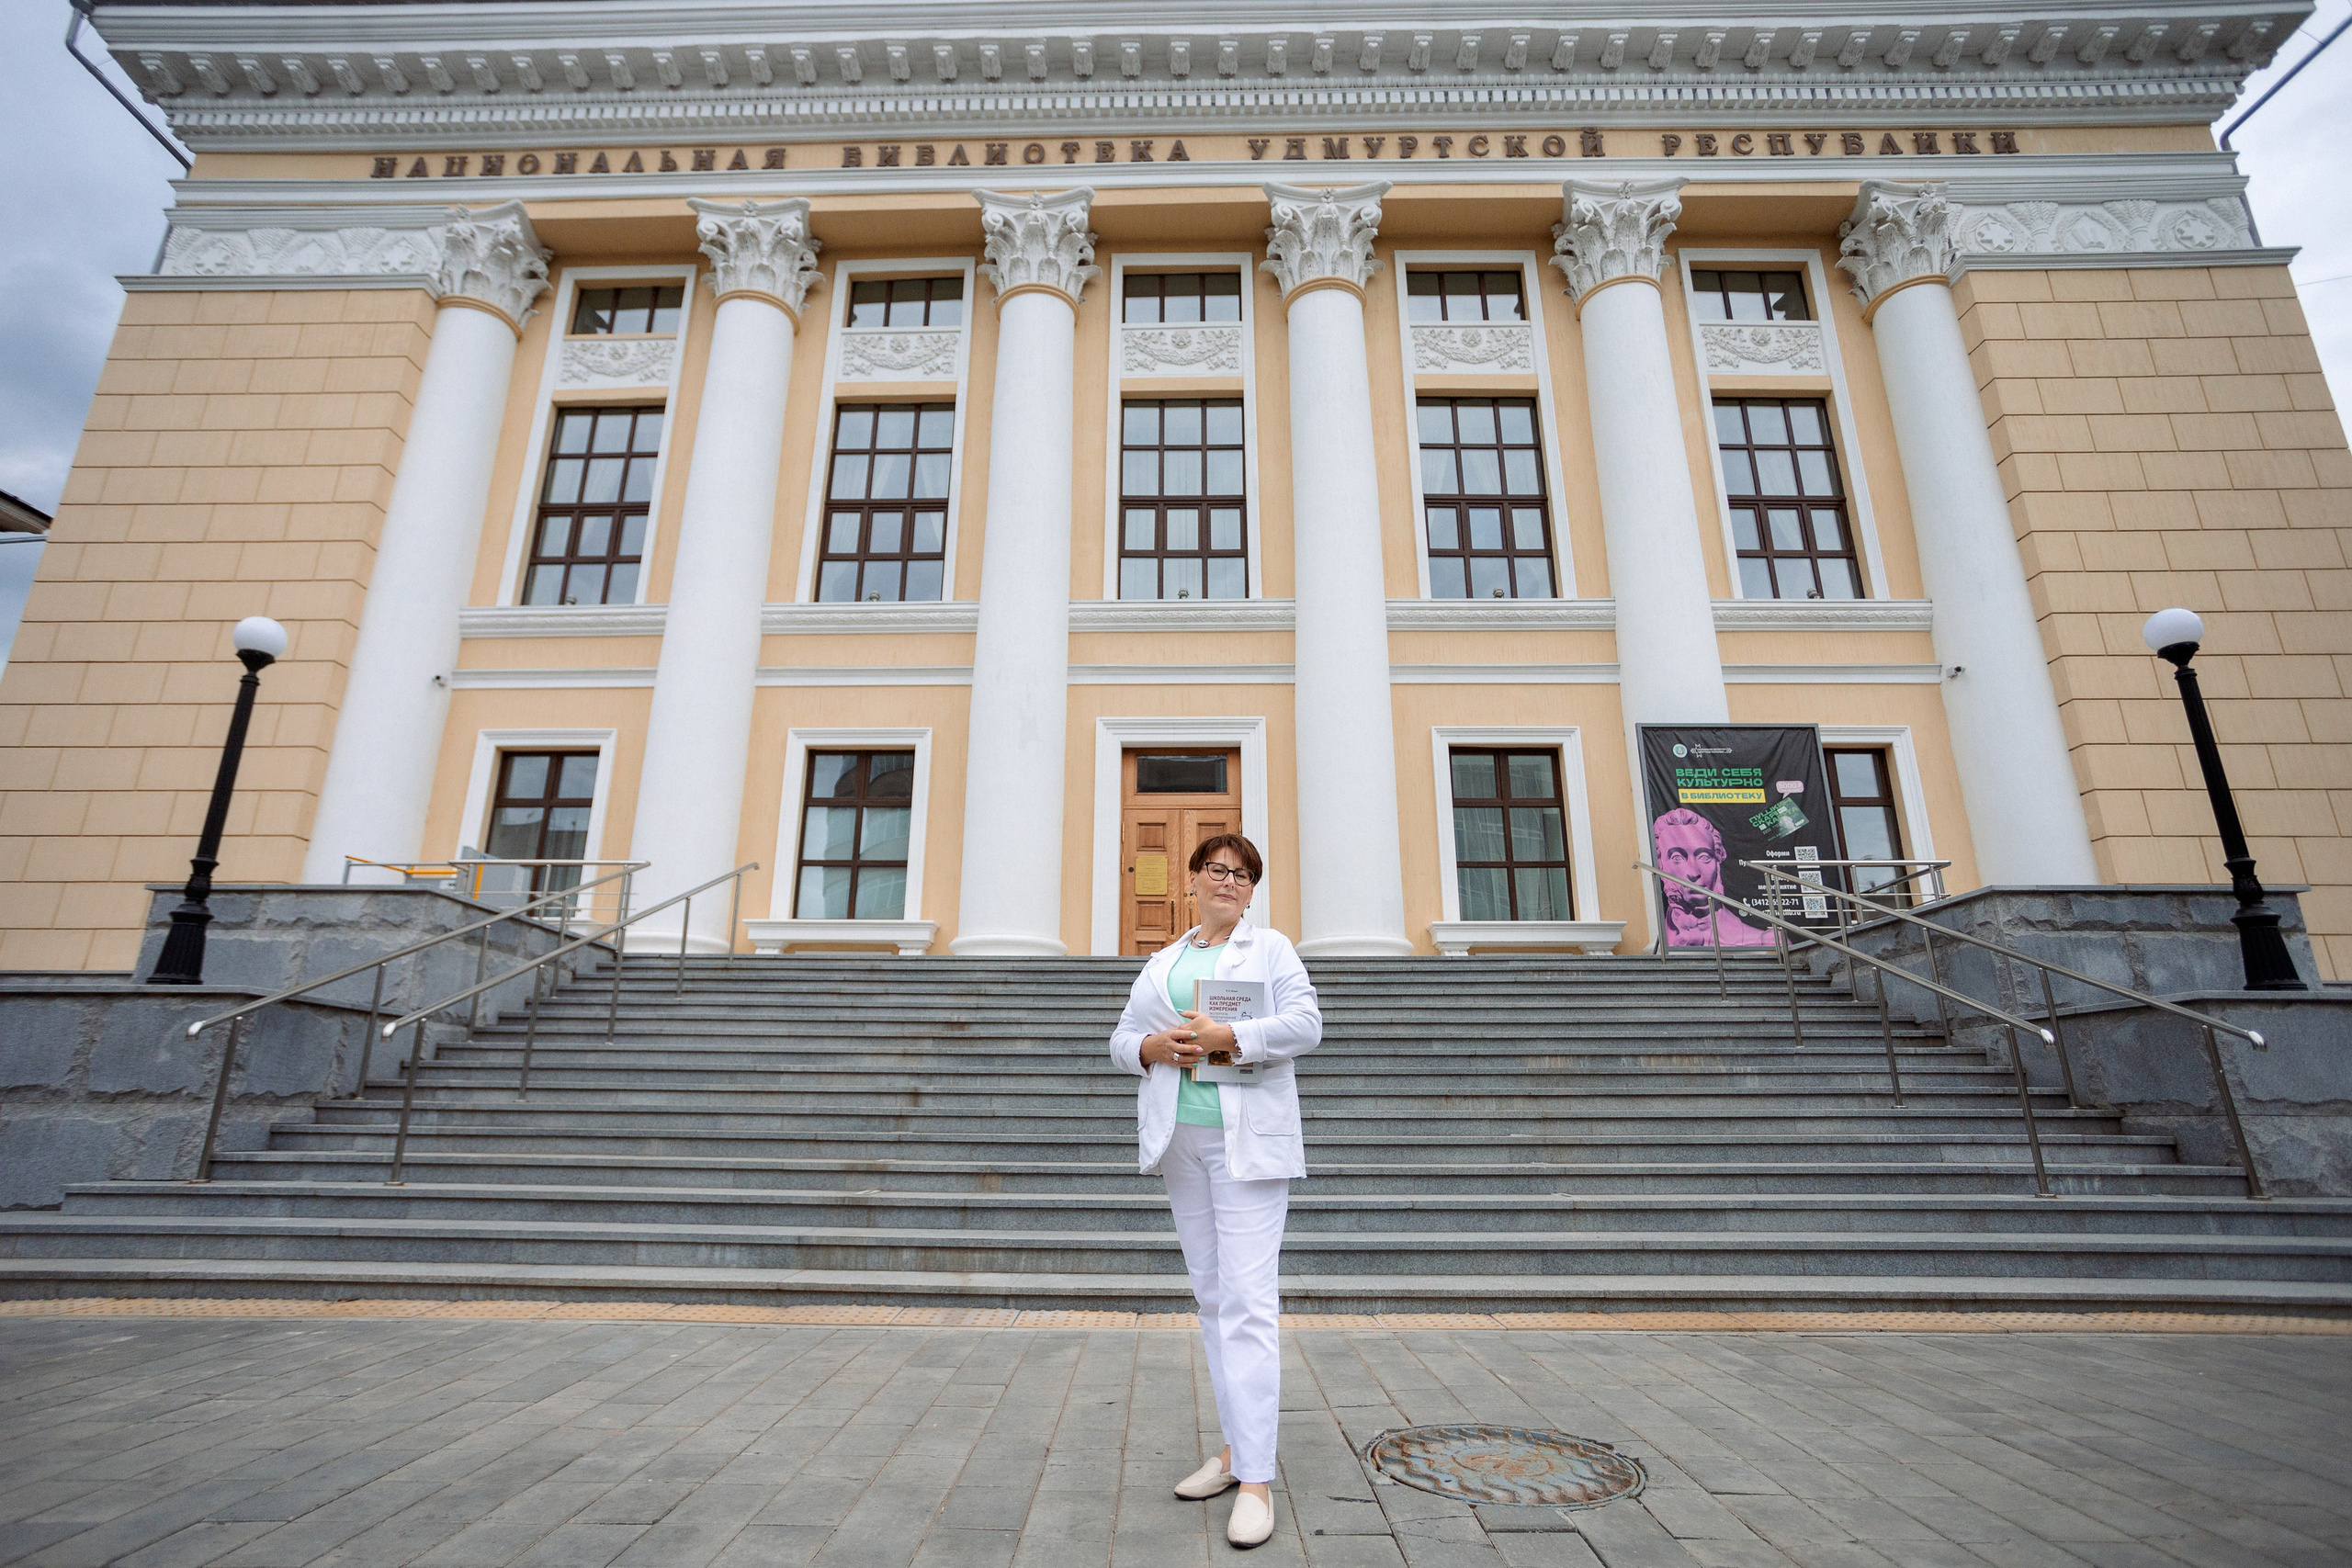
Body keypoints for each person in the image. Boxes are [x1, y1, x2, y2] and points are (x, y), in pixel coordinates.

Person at [1108, 832, 1322, 1550]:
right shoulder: (1164, 961)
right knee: (1213, 1300)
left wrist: (1230, 1033)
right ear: (1194, 878)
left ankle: (1256, 1478)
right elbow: (1122, 1037)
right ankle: (1235, 1451)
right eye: (1216, 869)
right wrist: (1150, 1048)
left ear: (1251, 888)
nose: (1228, 880)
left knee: (1250, 1304)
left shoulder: (1272, 950)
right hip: (1183, 1141)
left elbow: (1306, 1025)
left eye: (1242, 873)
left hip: (1247, 1146)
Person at [1652, 807, 1777, 947]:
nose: (1693, 873)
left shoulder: (1762, 941)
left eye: (1704, 857)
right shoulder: (1661, 935)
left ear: (1717, 862)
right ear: (1661, 864)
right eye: (1677, 858)